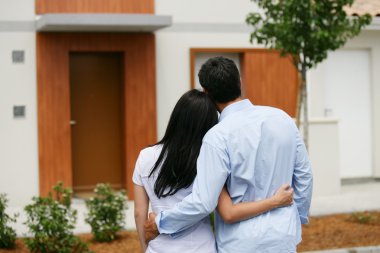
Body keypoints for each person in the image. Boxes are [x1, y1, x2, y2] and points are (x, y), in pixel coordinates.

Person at [144, 57, 313, 253]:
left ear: (207, 93)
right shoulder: (283, 119)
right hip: (283, 237)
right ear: (240, 81)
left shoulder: (216, 137)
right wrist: (295, 219)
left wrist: (161, 222)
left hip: (240, 244)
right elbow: (304, 176)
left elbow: (203, 202)